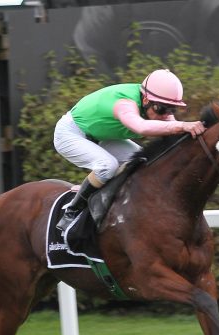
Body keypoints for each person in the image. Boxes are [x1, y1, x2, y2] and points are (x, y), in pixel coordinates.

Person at [54, 68, 206, 231]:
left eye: (172, 109)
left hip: (101, 135)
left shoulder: (154, 103)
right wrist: (182, 125)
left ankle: (99, 192)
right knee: (107, 166)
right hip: (70, 133)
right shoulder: (125, 103)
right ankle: (72, 211)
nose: (166, 115)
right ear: (146, 100)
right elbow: (141, 127)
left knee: (142, 161)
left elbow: (173, 133)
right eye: (162, 109)